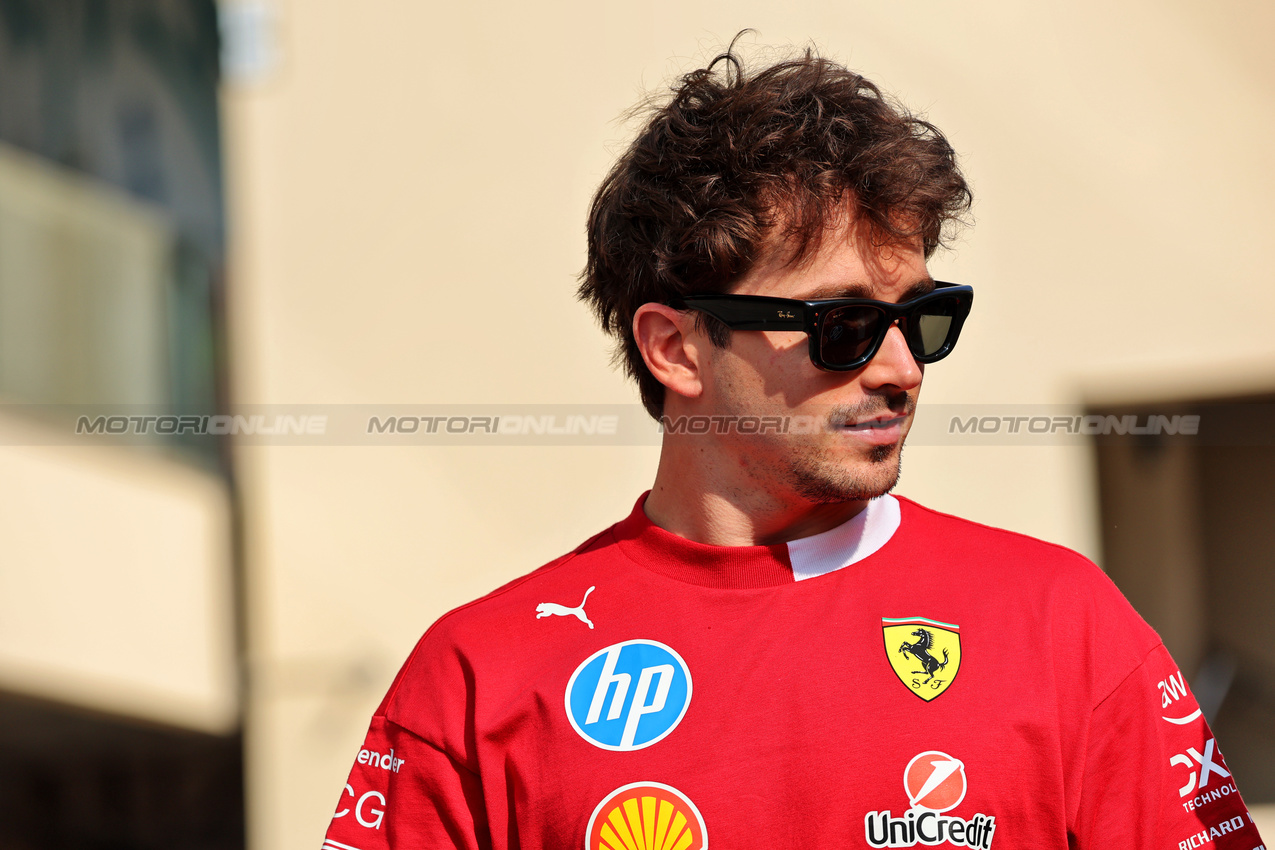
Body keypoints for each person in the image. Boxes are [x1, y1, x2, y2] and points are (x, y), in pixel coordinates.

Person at [322, 42, 1263, 850]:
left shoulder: (1063, 625)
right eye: (842, 324)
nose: (901, 368)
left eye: (923, 318)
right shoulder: (477, 683)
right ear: (675, 347)